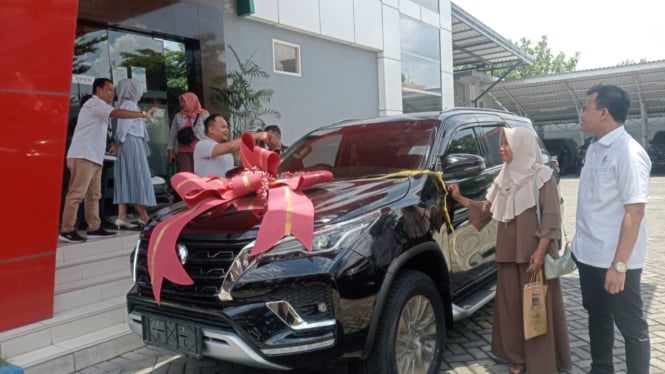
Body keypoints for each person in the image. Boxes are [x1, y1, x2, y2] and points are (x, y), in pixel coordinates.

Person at [447, 127, 571, 374]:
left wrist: (540, 251)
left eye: (507, 144)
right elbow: (487, 210)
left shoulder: (542, 176)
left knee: (536, 307)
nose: (501, 149)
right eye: (501, 144)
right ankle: (518, 356)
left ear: (522, 145)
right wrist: (460, 199)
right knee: (512, 308)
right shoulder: (503, 177)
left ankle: (541, 361)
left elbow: (551, 218)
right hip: (507, 255)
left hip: (534, 255)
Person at [572, 84, 651, 374]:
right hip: (589, 255)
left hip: (616, 261)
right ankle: (601, 369)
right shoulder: (594, 148)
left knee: (631, 327)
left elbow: (635, 211)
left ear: (603, 112)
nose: (581, 114)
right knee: (598, 316)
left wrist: (619, 265)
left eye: (586, 108)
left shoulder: (628, 152)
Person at [60, 78, 155, 243]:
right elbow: (117, 114)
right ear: (98, 90)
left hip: (94, 157)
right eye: (109, 90)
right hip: (83, 156)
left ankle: (94, 227)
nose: (113, 93)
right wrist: (143, 114)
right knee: (77, 193)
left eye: (113, 90)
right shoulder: (94, 103)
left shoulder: (100, 107)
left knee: (94, 195)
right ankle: (67, 229)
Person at [110, 78, 156, 229]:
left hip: (128, 143)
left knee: (126, 177)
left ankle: (122, 215)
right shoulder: (129, 104)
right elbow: (123, 129)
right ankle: (143, 215)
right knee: (136, 177)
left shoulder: (126, 104)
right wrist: (117, 144)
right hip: (131, 143)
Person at [193, 114, 268, 177]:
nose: (227, 130)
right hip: (208, 192)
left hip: (225, 193)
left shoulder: (228, 155)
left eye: (227, 127)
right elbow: (230, 147)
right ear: (211, 129)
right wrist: (256, 136)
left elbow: (229, 174)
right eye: (223, 127)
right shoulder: (201, 145)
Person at [167, 92, 208, 173]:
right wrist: (170, 151)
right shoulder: (178, 116)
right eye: (181, 102)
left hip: (200, 151)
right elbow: (173, 134)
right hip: (183, 152)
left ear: (191, 101)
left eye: (184, 102)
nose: (181, 104)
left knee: (201, 176)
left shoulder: (204, 115)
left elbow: (210, 131)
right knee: (187, 176)